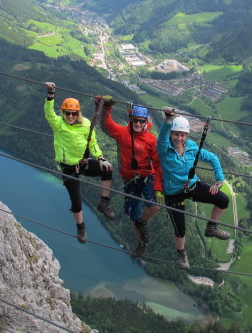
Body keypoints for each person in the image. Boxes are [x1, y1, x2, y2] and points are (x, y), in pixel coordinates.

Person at [156, 107, 230, 270]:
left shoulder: (191, 147)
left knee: (222, 200)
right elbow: (161, 137)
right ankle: (182, 253)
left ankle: (211, 226)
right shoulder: (164, 148)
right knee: (180, 228)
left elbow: (212, 157)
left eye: (182, 135)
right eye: (176, 134)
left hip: (192, 186)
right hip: (173, 192)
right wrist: (168, 119)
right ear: (171, 133)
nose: (179, 138)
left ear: (187, 136)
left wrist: (219, 179)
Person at [44, 82, 115, 244]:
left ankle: (104, 203)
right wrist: (50, 95)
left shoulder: (86, 125)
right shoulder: (58, 124)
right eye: (67, 113)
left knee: (108, 169)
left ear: (78, 113)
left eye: (73, 113)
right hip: (68, 167)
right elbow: (49, 114)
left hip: (83, 162)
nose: (70, 116)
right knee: (76, 201)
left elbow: (93, 143)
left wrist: (100, 158)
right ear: (63, 113)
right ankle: (80, 227)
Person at [100, 96, 163, 259]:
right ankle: (141, 243)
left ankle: (143, 223)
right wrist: (106, 107)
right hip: (130, 180)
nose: (138, 124)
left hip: (147, 176)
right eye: (135, 120)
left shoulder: (150, 139)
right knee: (133, 216)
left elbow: (157, 163)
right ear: (131, 119)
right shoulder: (122, 133)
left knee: (155, 206)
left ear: (145, 122)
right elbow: (106, 126)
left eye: (141, 121)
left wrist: (158, 184)